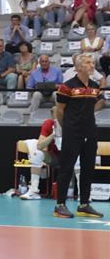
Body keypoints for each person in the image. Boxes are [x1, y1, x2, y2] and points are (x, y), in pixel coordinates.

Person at [51, 54, 105, 219]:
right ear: (79, 67)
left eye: (92, 62)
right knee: (67, 168)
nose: (92, 65)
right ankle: (60, 205)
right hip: (72, 133)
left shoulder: (95, 86)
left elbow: (100, 101)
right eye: (88, 62)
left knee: (88, 168)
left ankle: (84, 204)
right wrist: (68, 127)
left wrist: (86, 115)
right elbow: (59, 110)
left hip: (90, 132)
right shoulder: (67, 87)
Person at [19, 117, 61, 200]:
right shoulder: (49, 123)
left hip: (71, 158)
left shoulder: (73, 124)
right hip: (55, 158)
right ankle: (33, 191)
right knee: (37, 154)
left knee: (77, 159)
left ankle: (81, 194)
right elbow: (39, 146)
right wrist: (53, 134)